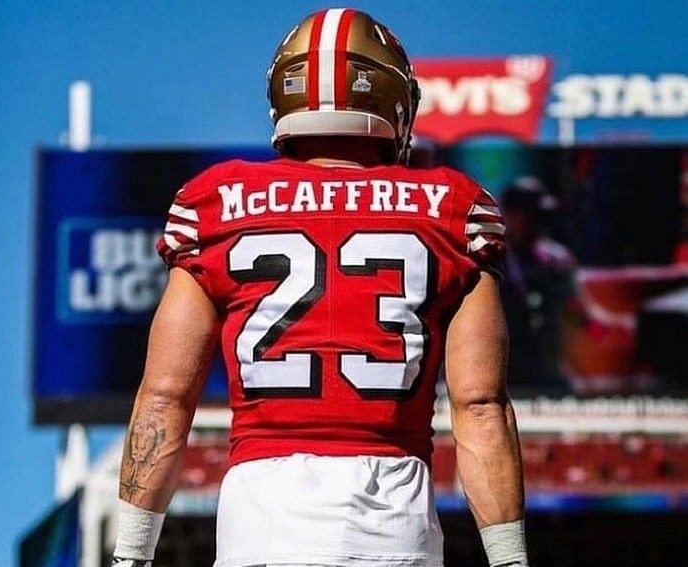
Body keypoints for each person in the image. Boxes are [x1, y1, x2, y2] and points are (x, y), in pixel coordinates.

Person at [113, 8, 527, 567]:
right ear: (395, 100)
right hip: (391, 527)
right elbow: (480, 406)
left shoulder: (215, 202)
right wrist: (509, 560)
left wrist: (130, 555)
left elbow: (165, 396)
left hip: (261, 529)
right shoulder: (453, 209)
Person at [499, 177, 575, 391]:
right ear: (510, 215)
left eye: (541, 215)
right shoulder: (490, 260)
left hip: (547, 371)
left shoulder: (557, 259)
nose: (537, 222)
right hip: (505, 372)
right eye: (530, 215)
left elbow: (575, 313)